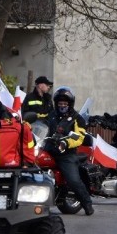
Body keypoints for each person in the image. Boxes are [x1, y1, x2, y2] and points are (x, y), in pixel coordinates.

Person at [46, 86, 94, 216]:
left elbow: (79, 137)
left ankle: (87, 203)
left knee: (73, 180)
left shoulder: (77, 119)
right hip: (48, 150)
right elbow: (40, 127)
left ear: (70, 104)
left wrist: (65, 143)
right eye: (60, 103)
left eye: (65, 103)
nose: (62, 105)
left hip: (66, 154)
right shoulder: (51, 115)